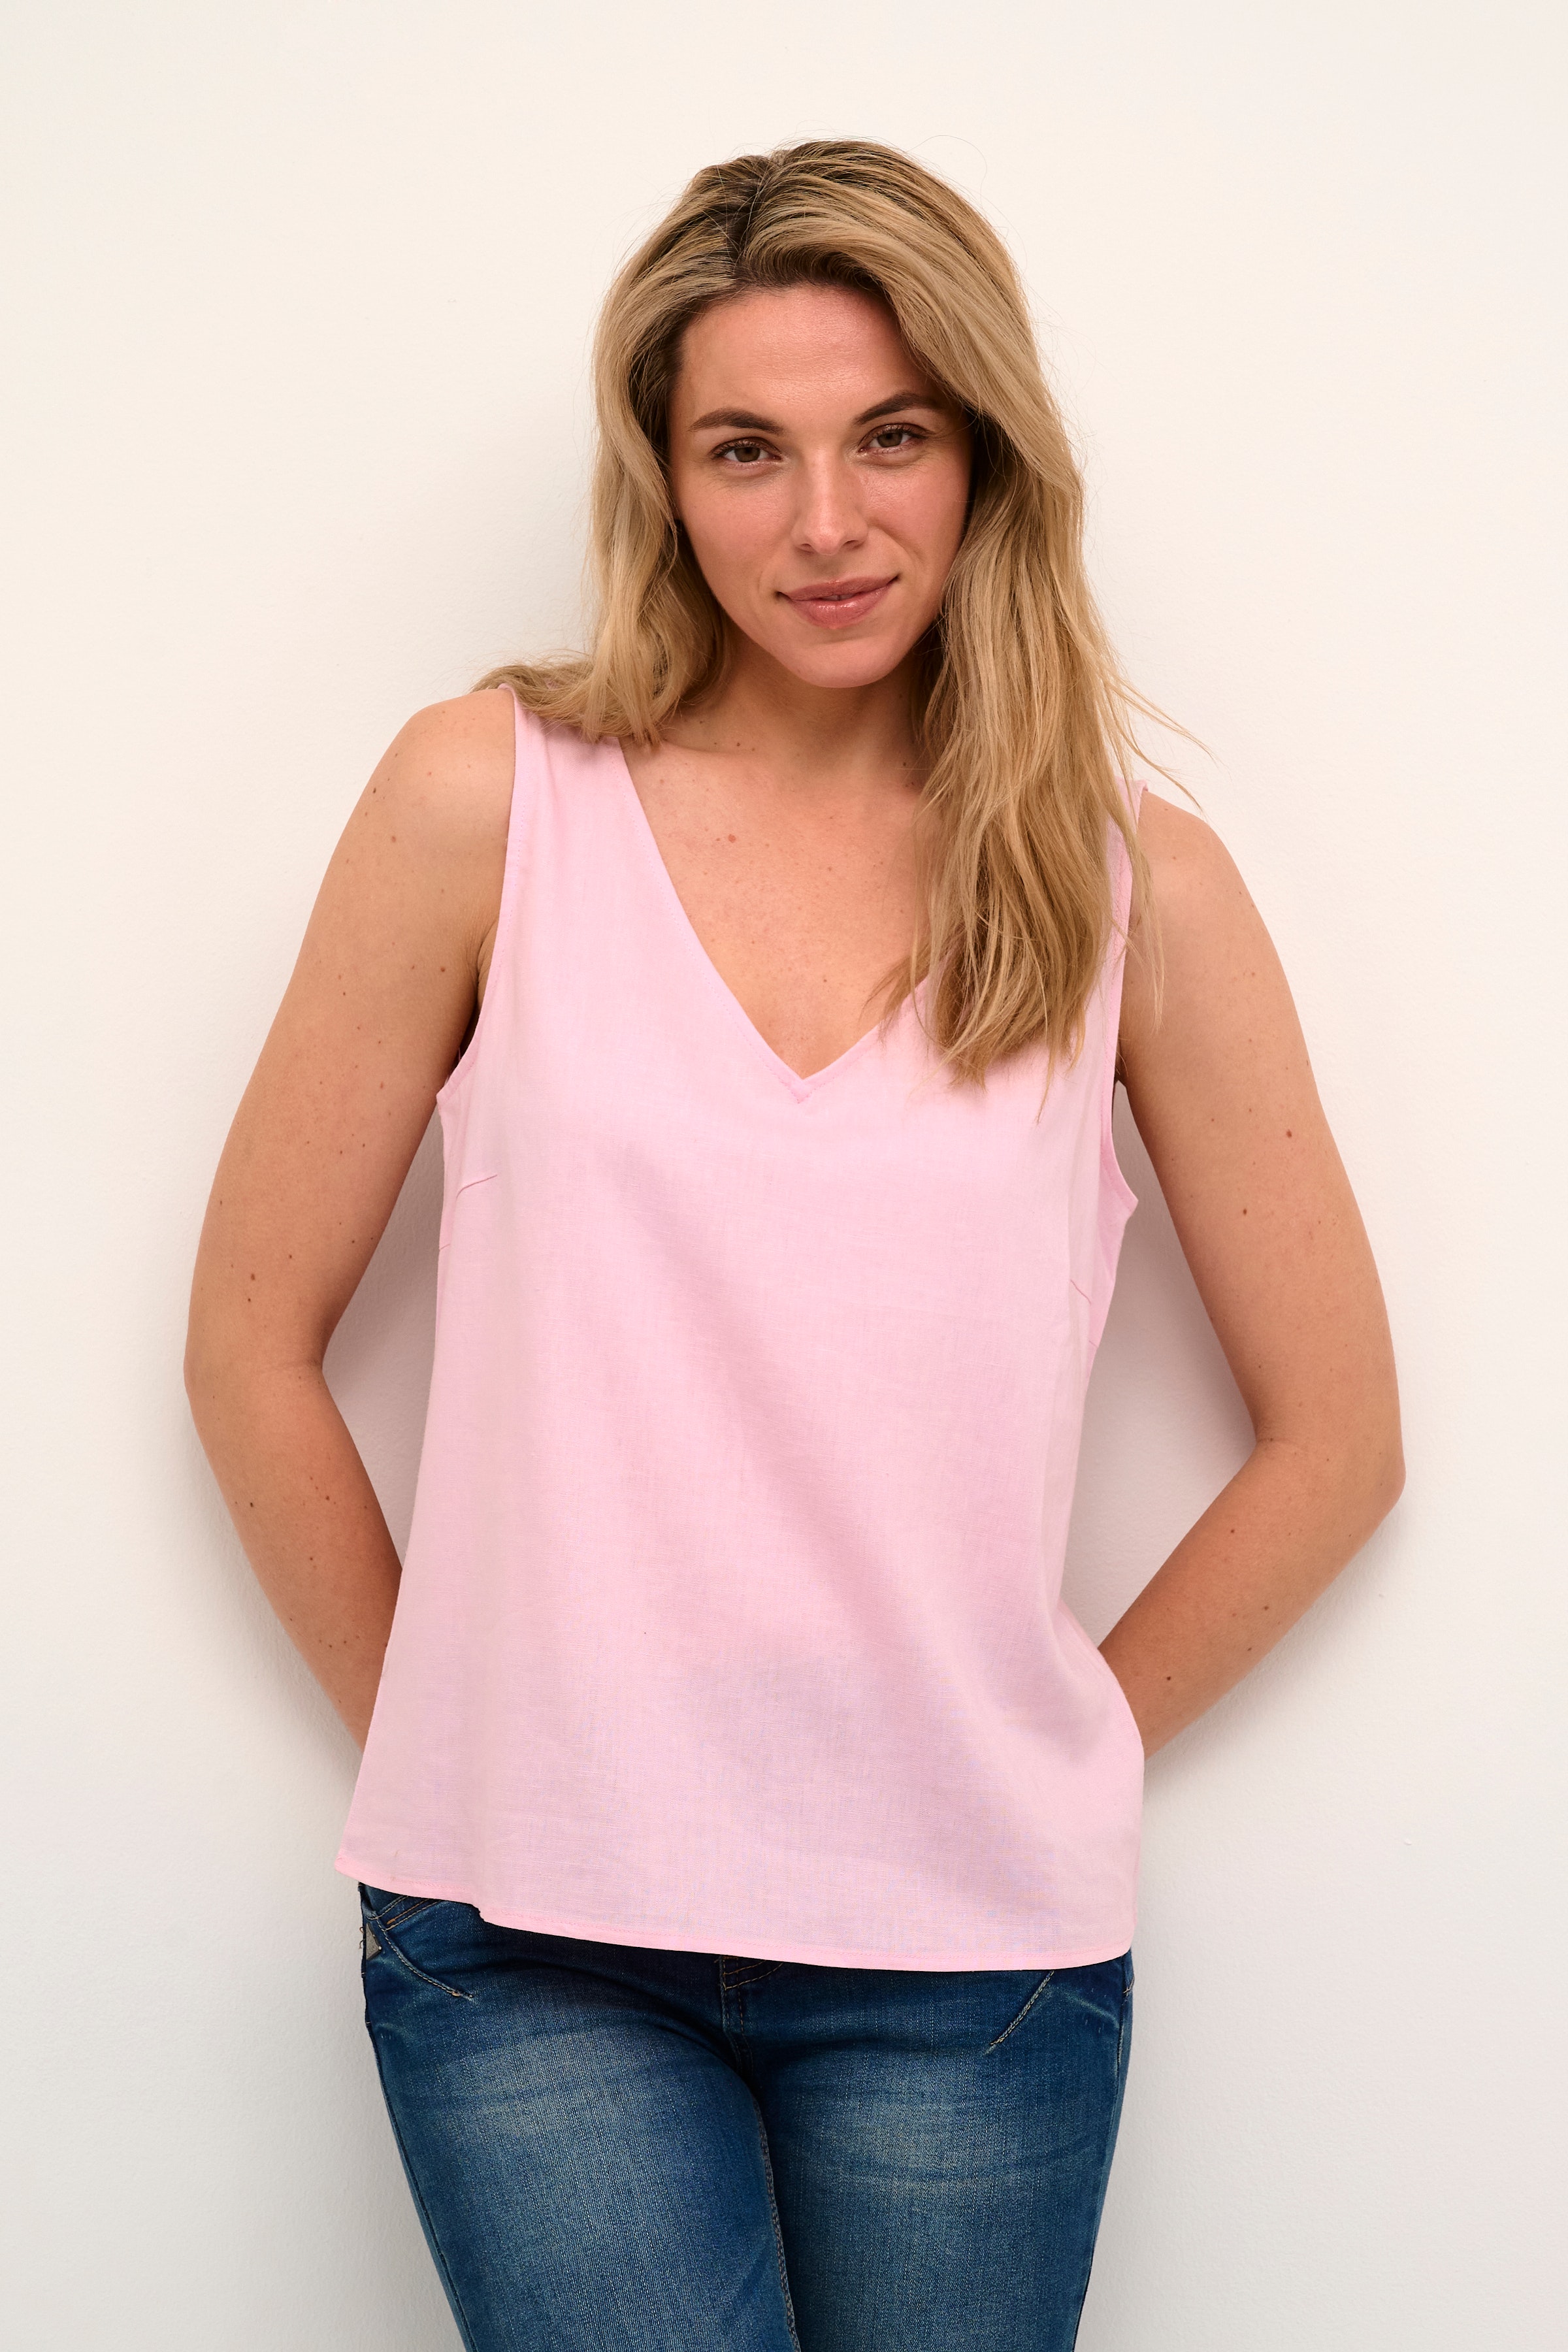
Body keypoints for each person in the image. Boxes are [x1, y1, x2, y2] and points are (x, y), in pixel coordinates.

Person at [184, 139, 1403, 2352]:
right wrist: (460, 1746)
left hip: (969, 1959)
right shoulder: (484, 800)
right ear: (663, 478)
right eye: (747, 448)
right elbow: (251, 1349)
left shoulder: (1134, 888)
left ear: (987, 457)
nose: (826, 521)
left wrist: (1048, 1743)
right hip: (526, 1950)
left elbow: (1340, 1440)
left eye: (891, 438)